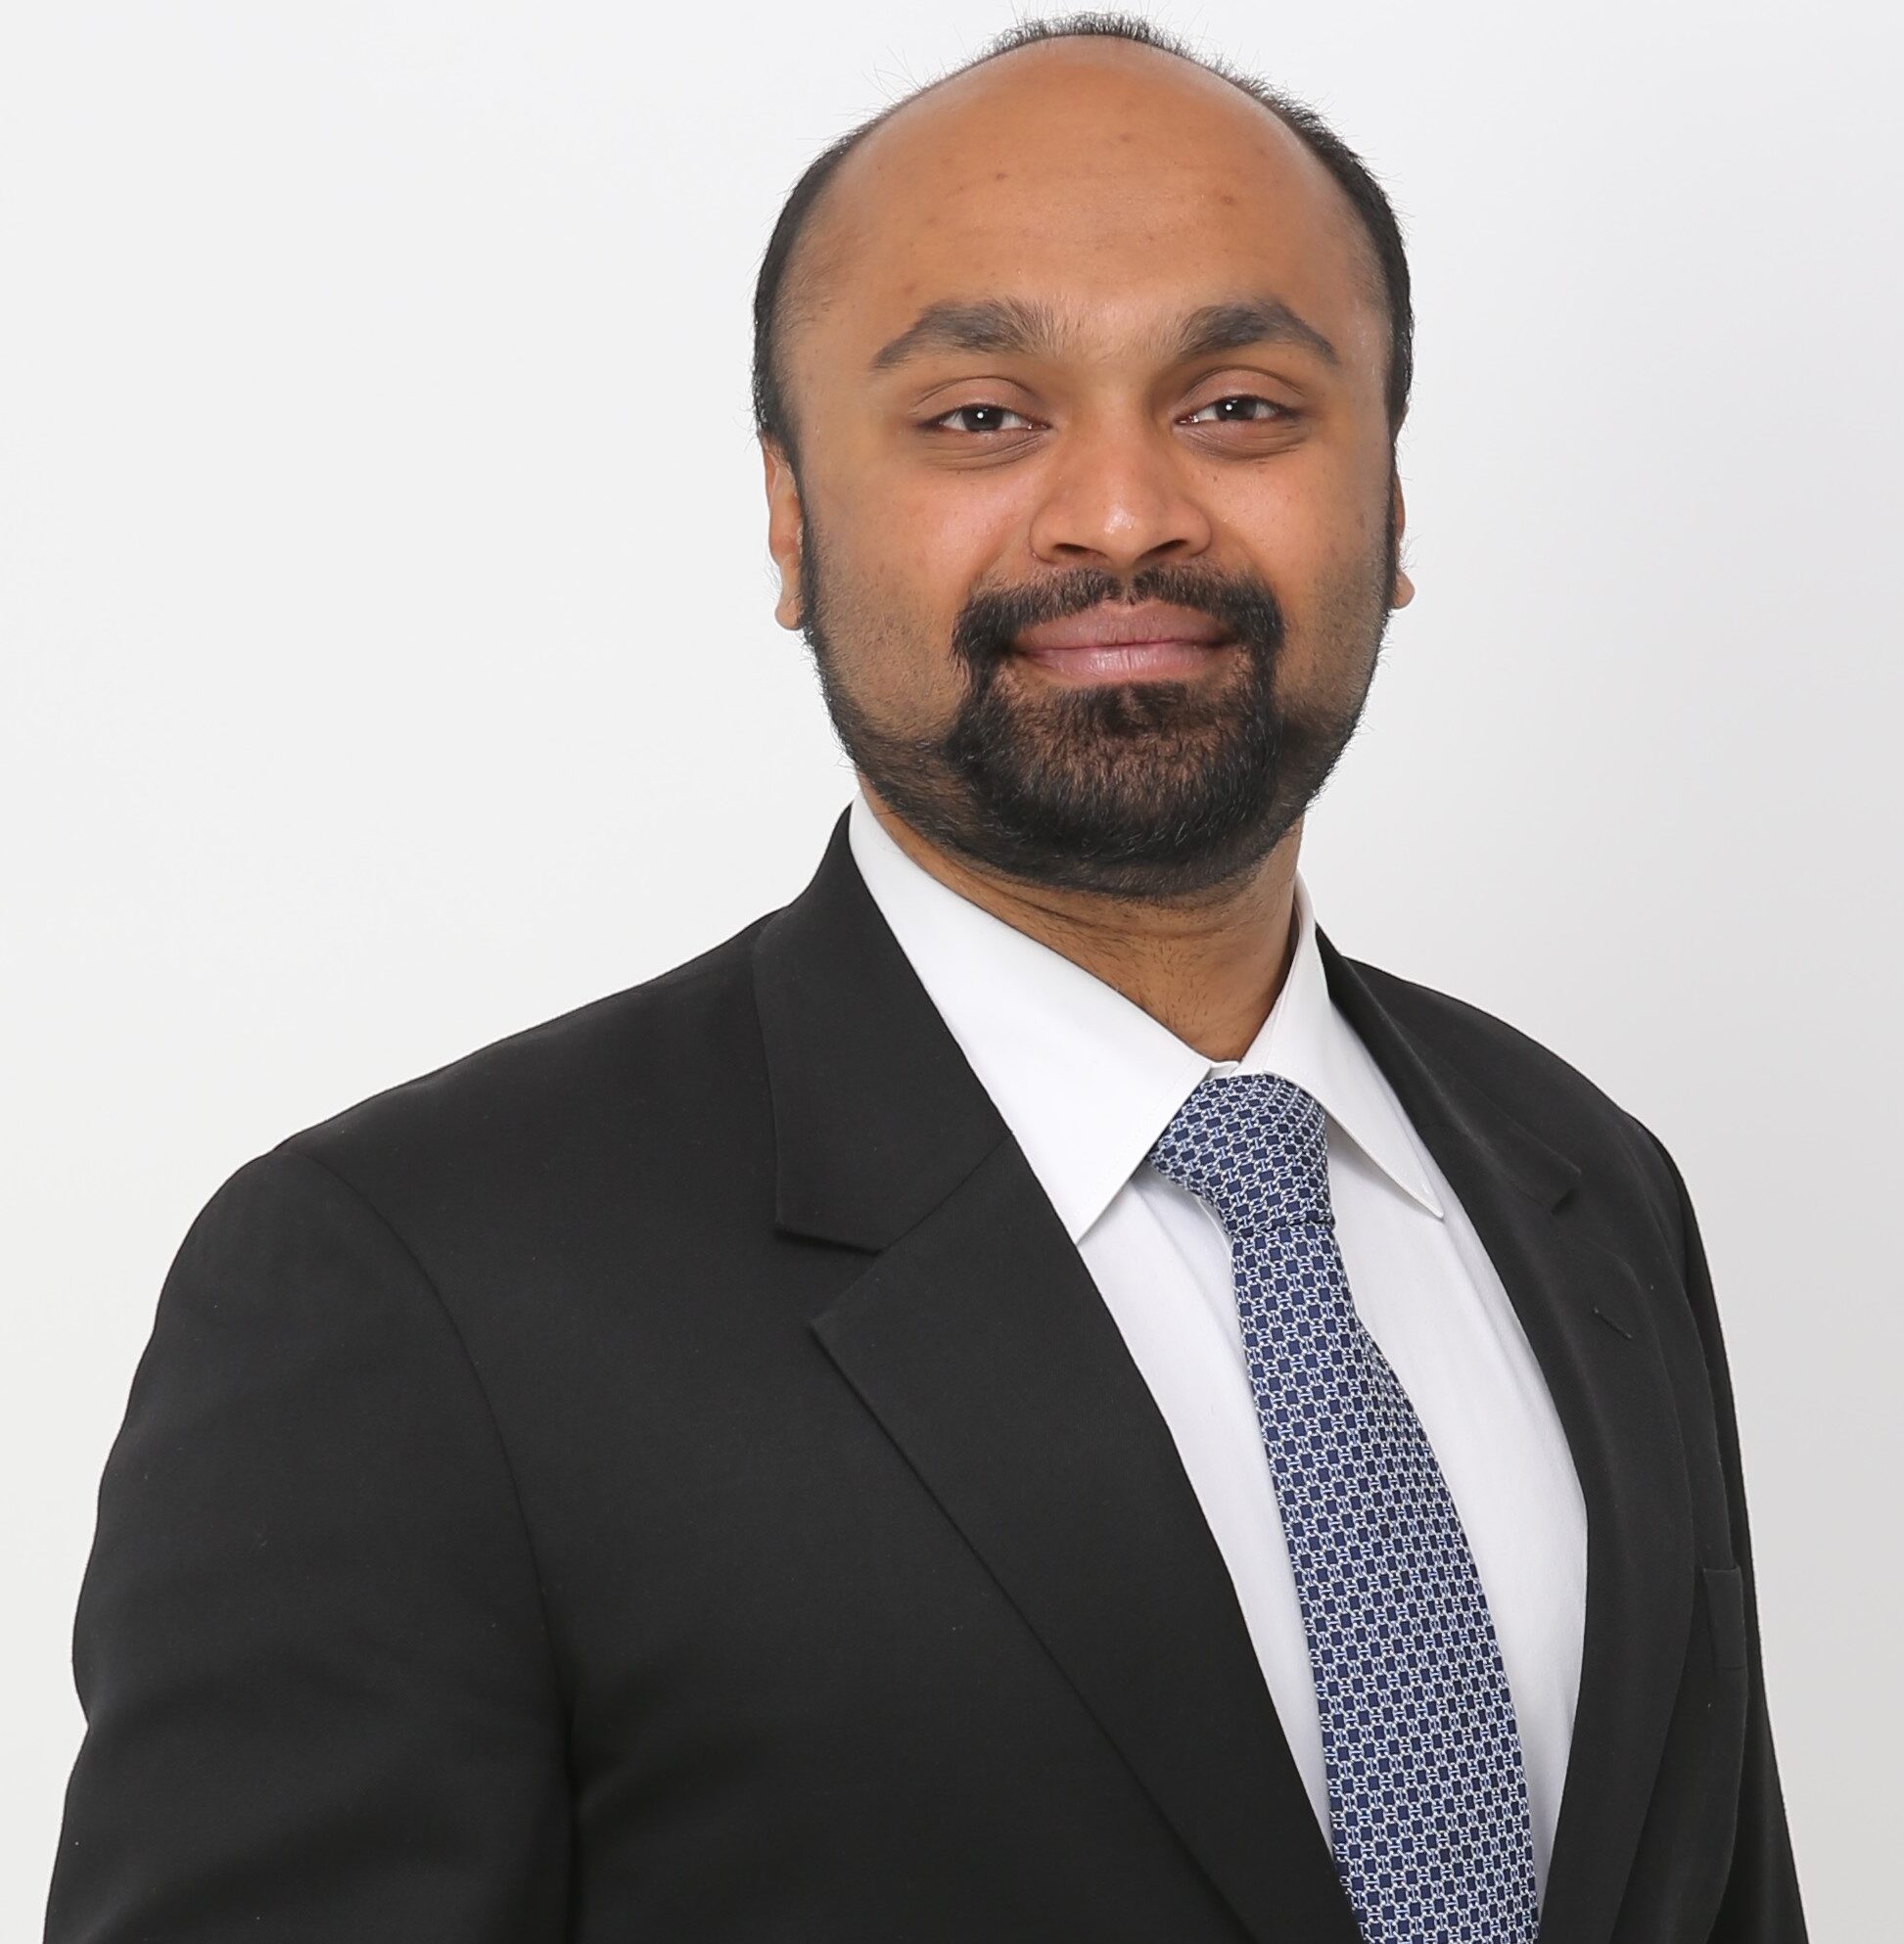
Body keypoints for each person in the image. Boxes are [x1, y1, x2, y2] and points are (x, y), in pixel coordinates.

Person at [44, 16, 1809, 1943]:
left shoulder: (1586, 1189)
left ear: (1391, 499)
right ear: (792, 520)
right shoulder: (411, 1293)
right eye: (982, 416)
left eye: (1239, 406)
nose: (1122, 513)